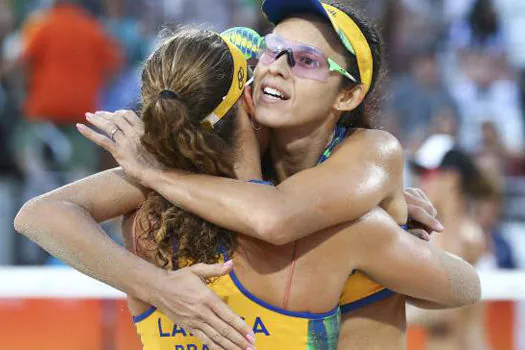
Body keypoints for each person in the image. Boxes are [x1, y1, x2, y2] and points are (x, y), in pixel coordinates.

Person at [14, 1, 477, 349]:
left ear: (349, 95)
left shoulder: (368, 153)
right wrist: (155, 284)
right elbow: (39, 214)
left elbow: (277, 216)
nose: (276, 65)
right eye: (273, 49)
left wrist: (154, 174)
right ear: (247, 99)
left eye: (307, 60)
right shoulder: (330, 219)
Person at [408, 137, 496, 349]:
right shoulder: (446, 233)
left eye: (428, 174)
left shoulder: (468, 236)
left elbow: (445, 308)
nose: (421, 182)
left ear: (452, 179)